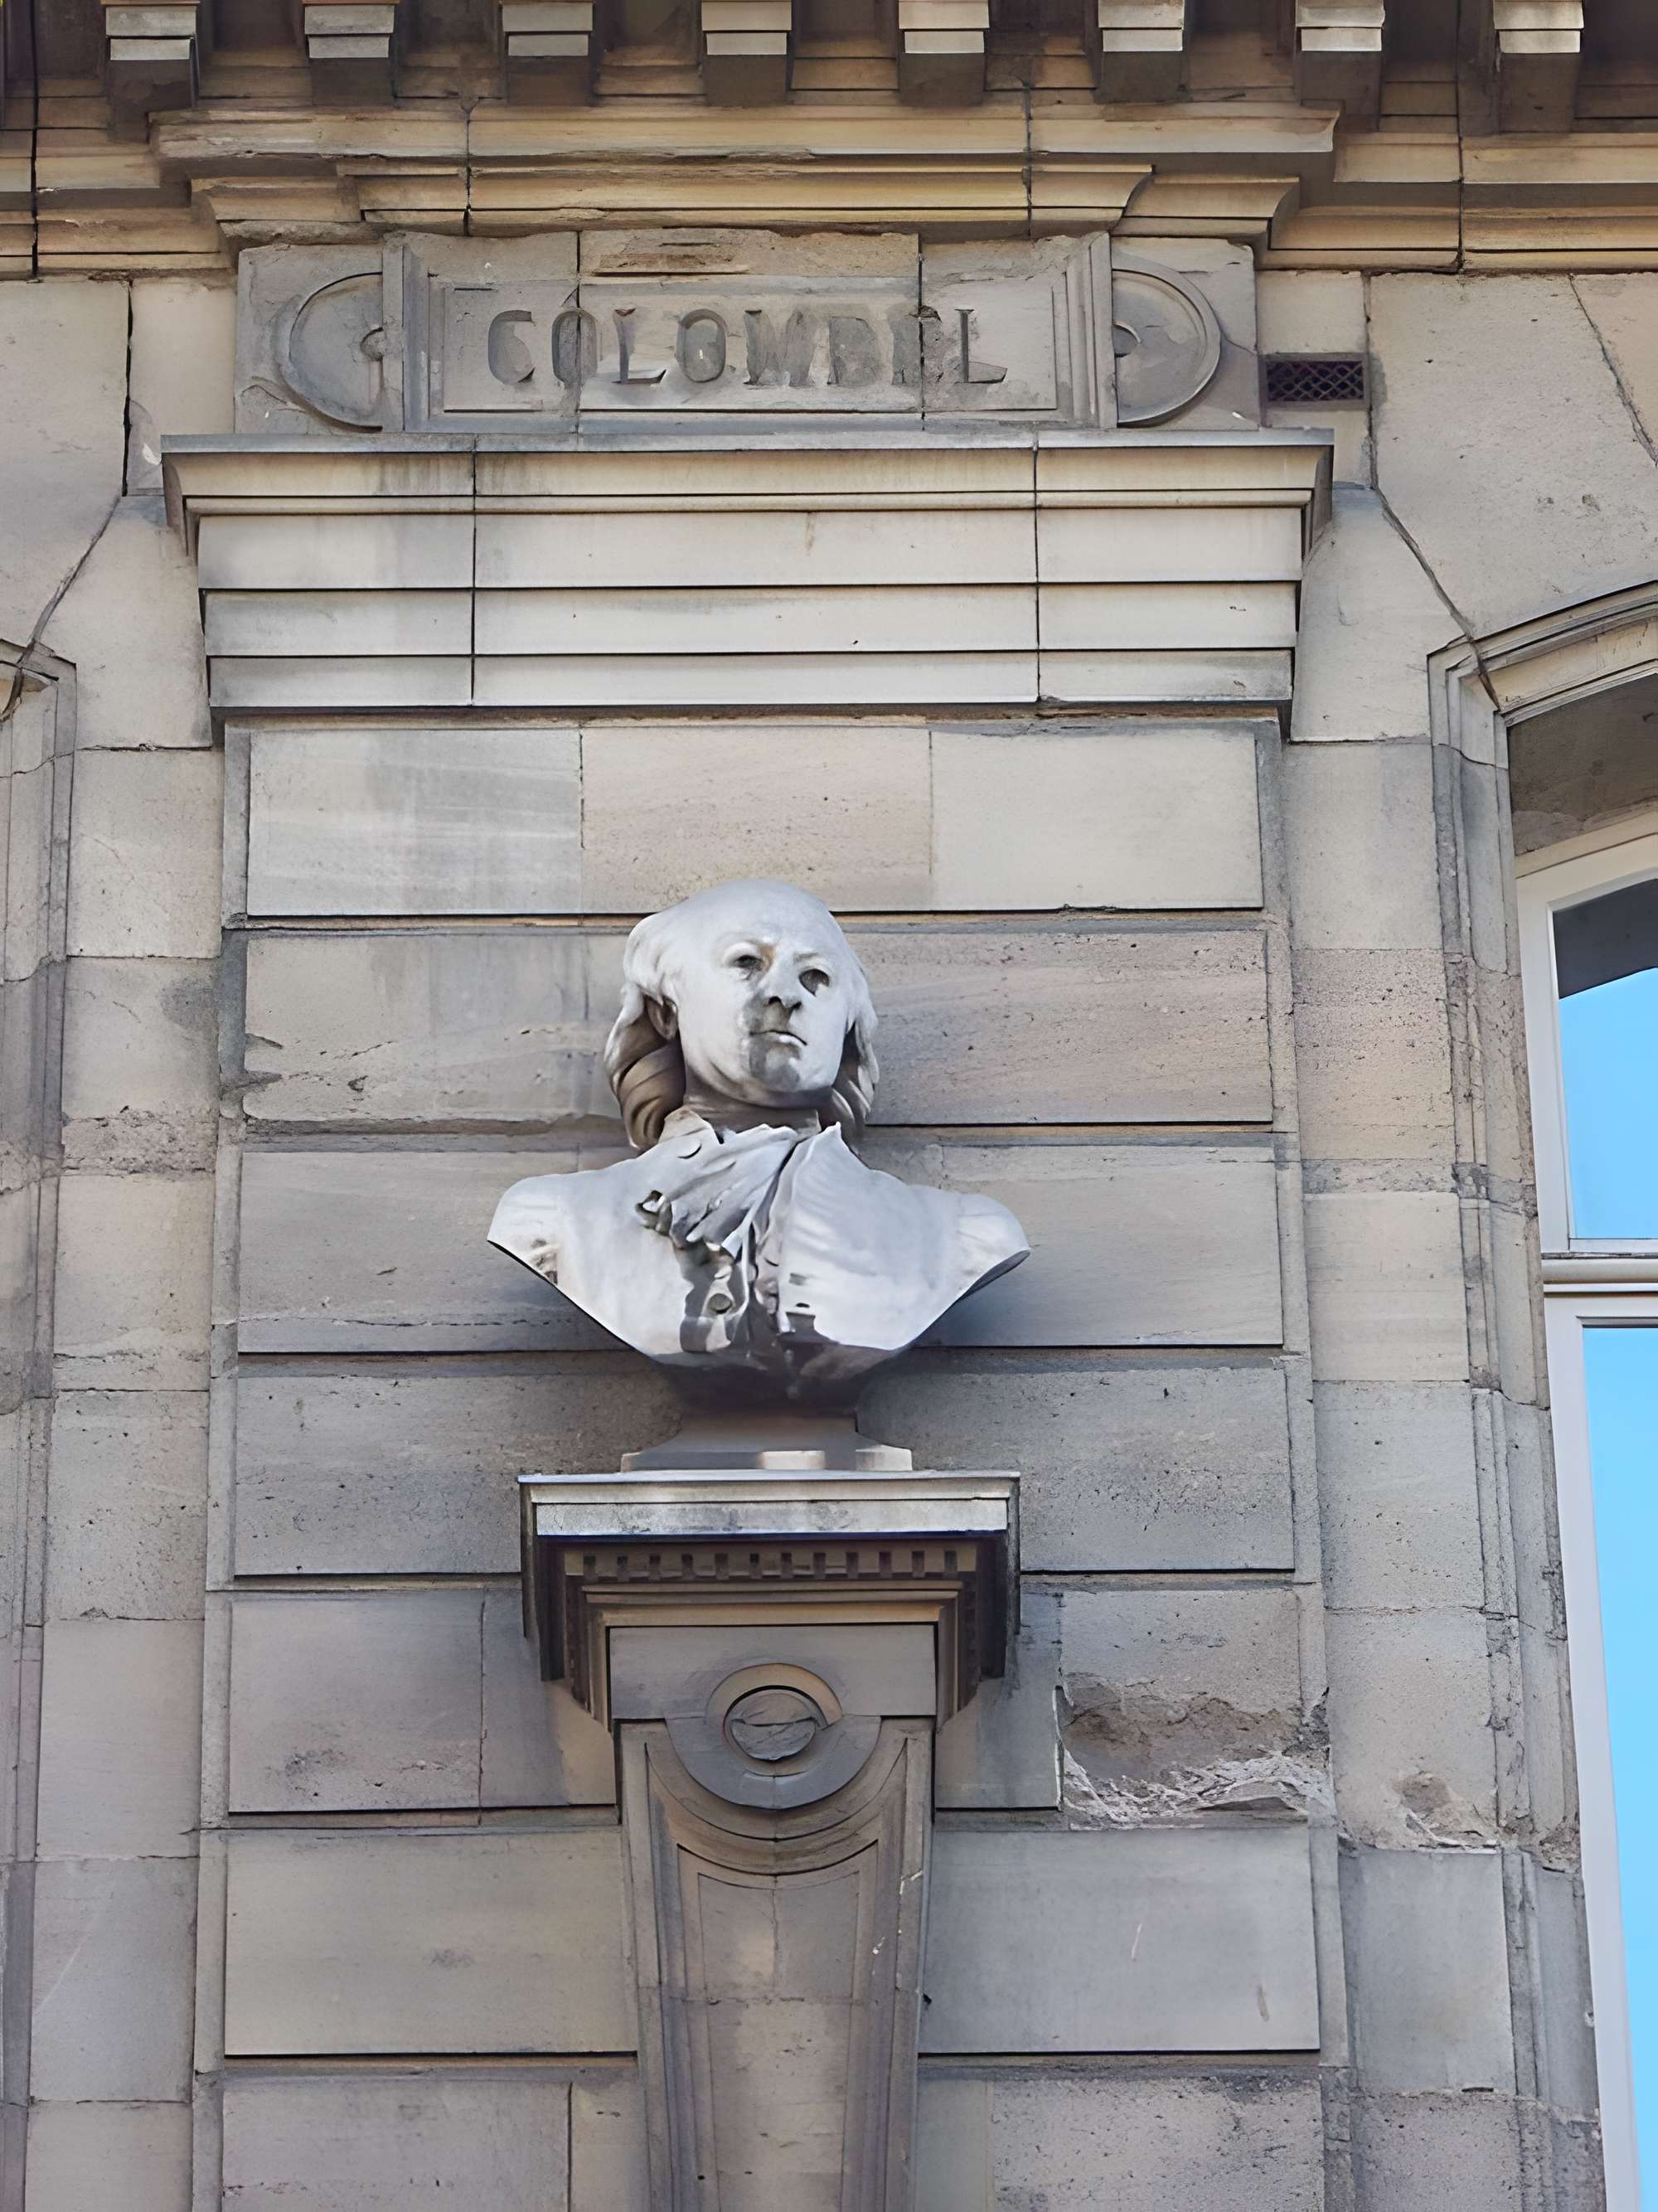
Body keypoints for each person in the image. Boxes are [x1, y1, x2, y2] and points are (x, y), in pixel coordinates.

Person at [488, 879, 1028, 1403]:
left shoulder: (960, 1236)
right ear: (666, 1010)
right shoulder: (556, 1221)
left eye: (815, 975)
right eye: (746, 962)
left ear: (846, 1026)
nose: (783, 994)